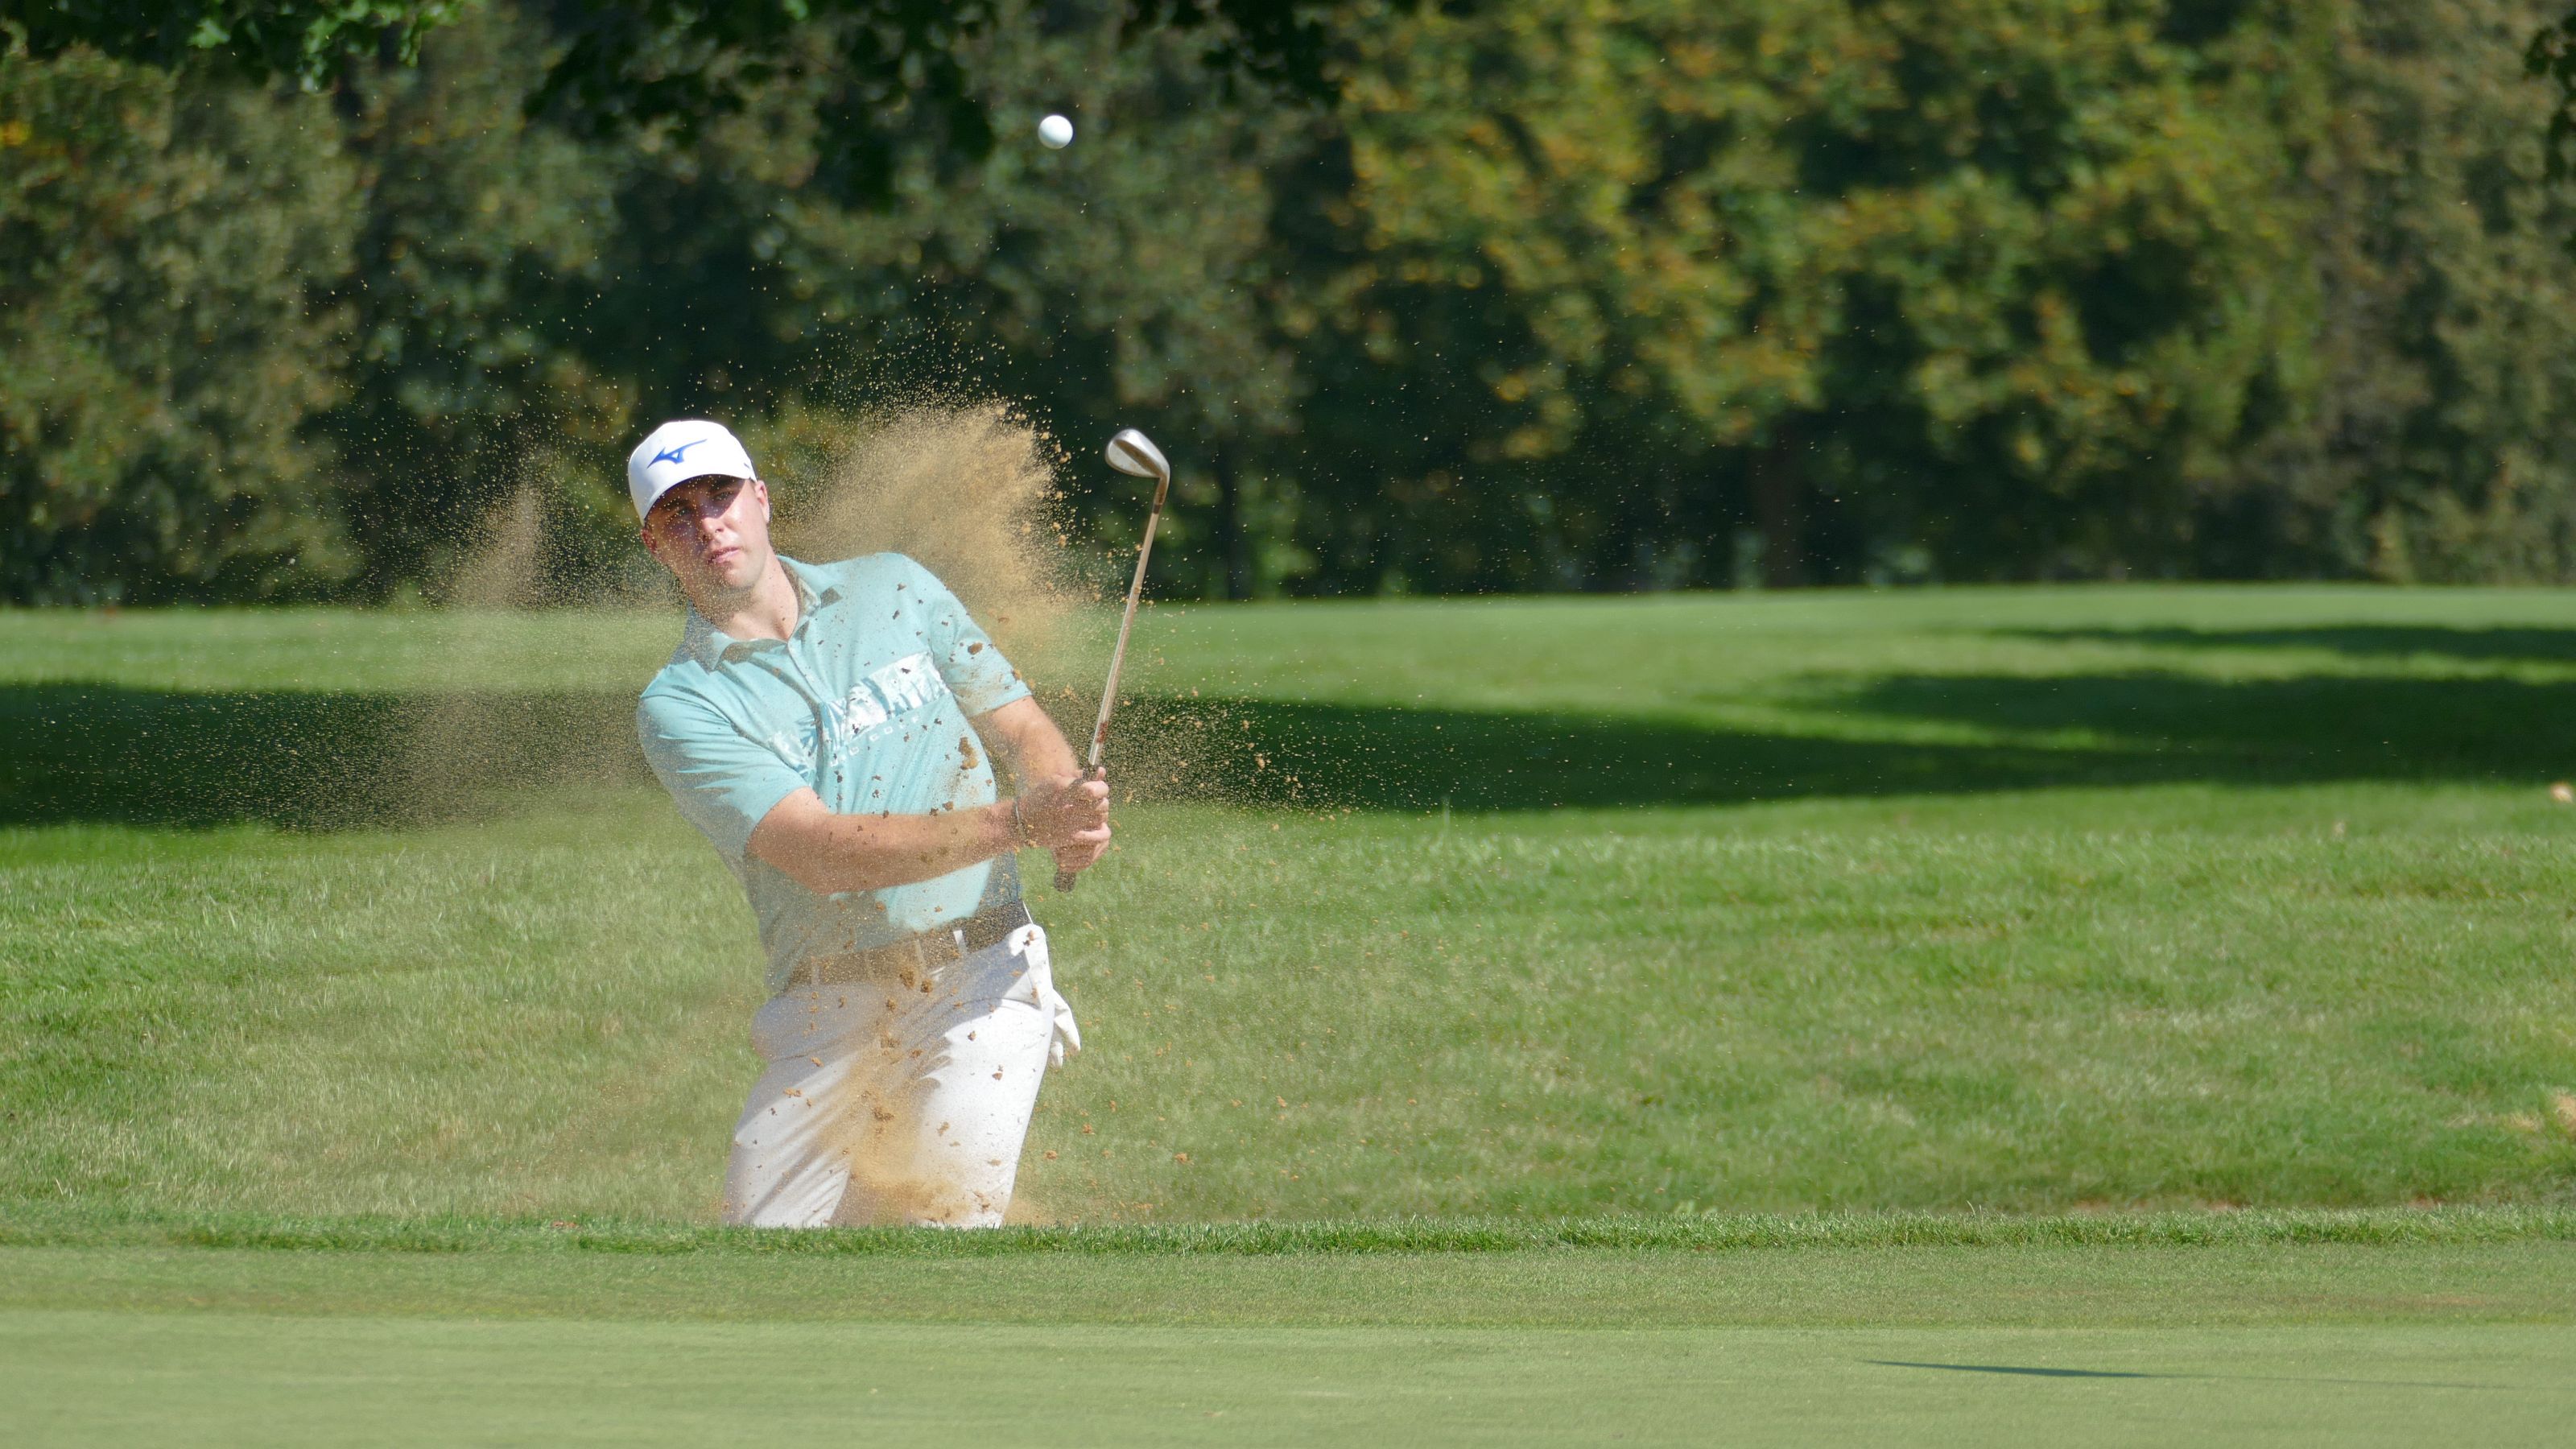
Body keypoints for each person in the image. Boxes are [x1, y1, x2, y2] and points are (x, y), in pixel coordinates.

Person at [626, 419, 1110, 1228]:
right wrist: (1022, 822)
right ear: (655, 545)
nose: (707, 523)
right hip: (827, 1014)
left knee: (939, 1235)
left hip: (982, 978)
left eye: (720, 495)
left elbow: (1022, 728)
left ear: (762, 499)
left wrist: (1064, 799)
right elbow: (823, 856)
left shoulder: (892, 586)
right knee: (761, 1264)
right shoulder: (681, 706)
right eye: (677, 512)